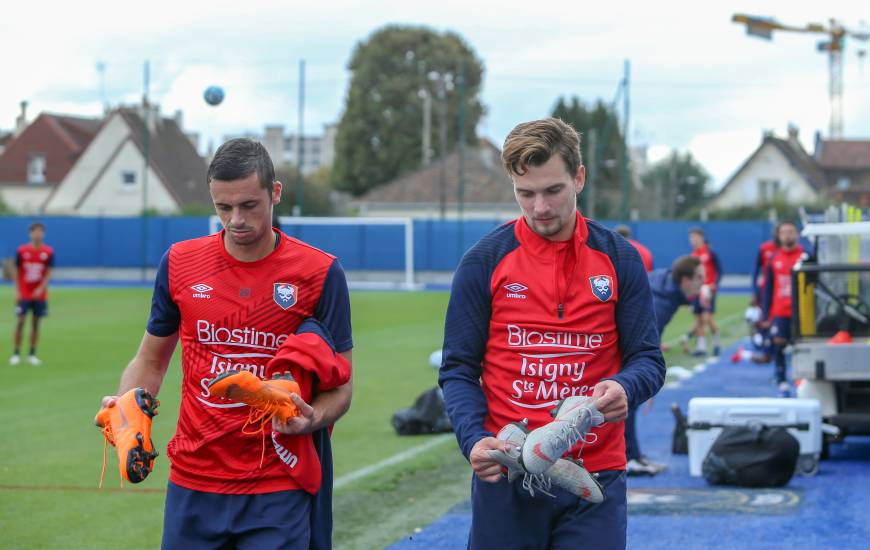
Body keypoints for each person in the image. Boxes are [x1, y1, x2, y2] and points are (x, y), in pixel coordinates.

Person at [95, 139, 353, 548]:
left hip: (277, 483)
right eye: (223, 207)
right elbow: (151, 359)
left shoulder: (319, 273)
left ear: (276, 193)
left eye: (249, 205)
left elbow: (342, 387)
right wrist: (127, 404)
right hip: (193, 482)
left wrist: (311, 418)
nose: (235, 220)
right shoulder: (180, 262)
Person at [439, 117, 665, 548]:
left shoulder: (620, 259)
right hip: (507, 473)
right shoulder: (483, 261)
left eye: (553, 190)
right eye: (525, 193)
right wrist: (474, 440)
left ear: (579, 178)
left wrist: (624, 387)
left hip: (595, 473)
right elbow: (458, 370)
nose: (540, 207)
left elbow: (648, 361)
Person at [760, 221, 805, 396]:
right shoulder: (774, 258)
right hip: (780, 310)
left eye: (791, 231)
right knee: (778, 345)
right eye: (784, 232)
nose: (787, 235)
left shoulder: (805, 256)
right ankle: (781, 380)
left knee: (801, 346)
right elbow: (768, 287)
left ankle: (802, 379)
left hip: (802, 311)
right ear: (779, 236)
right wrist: (766, 313)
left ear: (797, 234)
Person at [10, 222, 54, 366]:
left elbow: (48, 272)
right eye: (35, 231)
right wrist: (17, 290)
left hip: (39, 295)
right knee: (21, 321)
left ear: (43, 234)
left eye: (40, 232)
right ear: (30, 233)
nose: (38, 234)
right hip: (24, 293)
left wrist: (41, 288)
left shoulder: (48, 252)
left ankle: (32, 354)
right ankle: (16, 353)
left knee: (35, 323)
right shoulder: (22, 251)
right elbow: (16, 271)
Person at [685, 227, 722, 356]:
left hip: (708, 290)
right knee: (698, 318)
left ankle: (717, 342)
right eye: (691, 238)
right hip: (696, 291)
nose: (693, 241)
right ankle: (702, 347)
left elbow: (719, 270)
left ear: (701, 237)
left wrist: (715, 284)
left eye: (695, 238)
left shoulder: (710, 253)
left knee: (707, 318)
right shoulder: (692, 256)